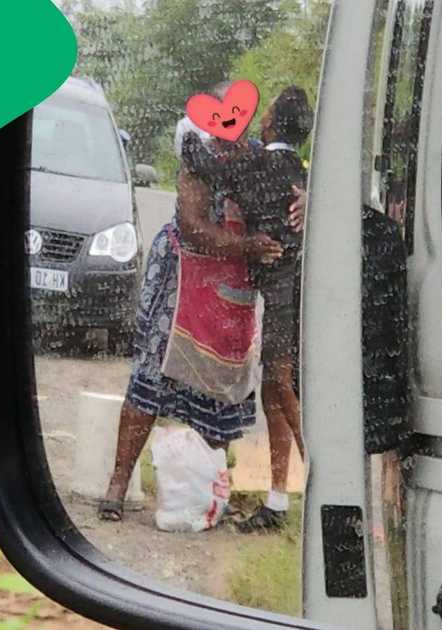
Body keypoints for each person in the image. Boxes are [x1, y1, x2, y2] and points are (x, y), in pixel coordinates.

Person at [98, 103, 286, 522]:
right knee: (152, 377)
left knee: (218, 391)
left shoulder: (258, 162)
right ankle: (118, 483)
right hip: (182, 281)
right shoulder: (197, 159)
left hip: (230, 292)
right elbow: (192, 226)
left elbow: (292, 190)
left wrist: (303, 202)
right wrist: (246, 246)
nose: (230, 137)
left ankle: (204, 495)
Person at [181, 86, 314, 532]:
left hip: (282, 293)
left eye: (267, 109)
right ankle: (277, 501)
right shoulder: (297, 170)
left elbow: (204, 164)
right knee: (275, 392)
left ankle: (320, 473)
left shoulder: (260, 165)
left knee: (280, 384)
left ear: (270, 123)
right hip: (294, 291)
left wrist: (192, 137)